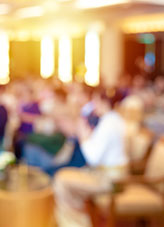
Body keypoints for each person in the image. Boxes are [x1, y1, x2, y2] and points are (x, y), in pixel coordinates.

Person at [54, 88, 127, 227]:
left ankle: (76, 224)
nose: (93, 104)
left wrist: (83, 137)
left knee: (62, 180)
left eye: (95, 101)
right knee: (64, 177)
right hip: (109, 174)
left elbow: (93, 158)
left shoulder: (108, 124)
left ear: (103, 102)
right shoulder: (114, 119)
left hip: (108, 179)